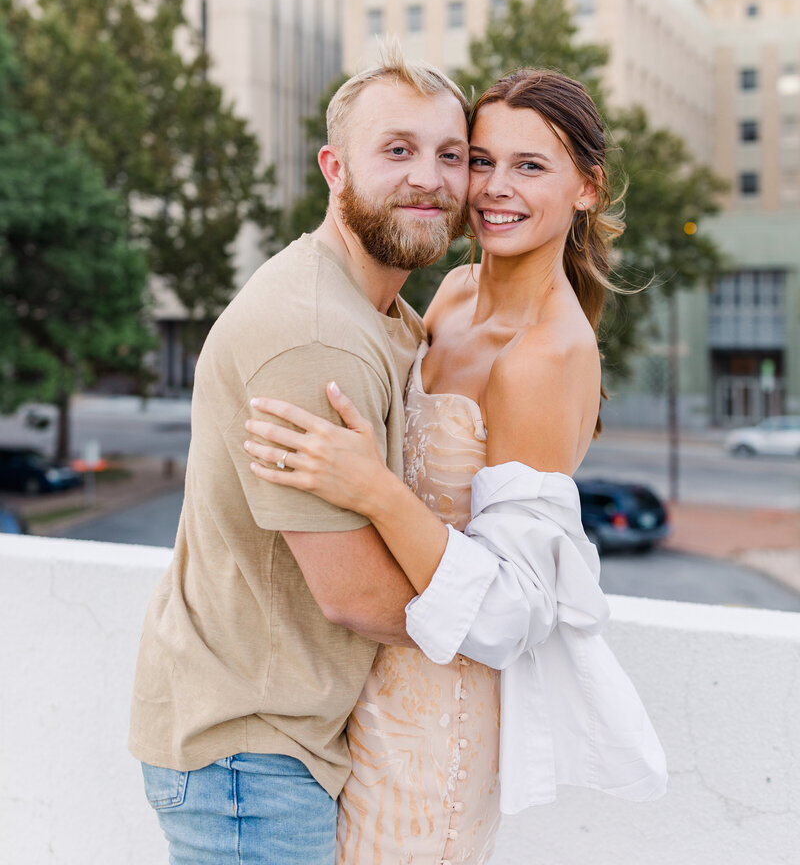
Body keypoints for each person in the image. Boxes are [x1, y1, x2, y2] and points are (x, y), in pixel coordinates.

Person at [245, 69, 668, 864]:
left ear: (586, 187)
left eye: (530, 167)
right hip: (364, 691)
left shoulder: (544, 355)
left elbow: (510, 612)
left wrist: (369, 484)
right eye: (480, 161)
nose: (493, 189)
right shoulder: (455, 294)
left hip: (440, 716)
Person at [128, 42, 472, 865]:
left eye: (450, 155)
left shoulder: (379, 312)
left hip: (271, 746)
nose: (429, 177)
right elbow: (358, 597)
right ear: (335, 169)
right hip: (251, 762)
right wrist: (497, 618)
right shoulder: (314, 335)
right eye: (397, 150)